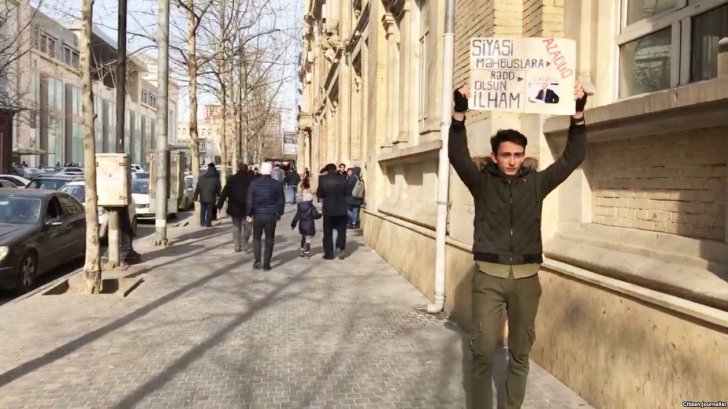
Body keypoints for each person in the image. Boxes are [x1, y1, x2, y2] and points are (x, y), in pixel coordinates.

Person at [449, 81, 587, 409]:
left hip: (527, 279)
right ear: (495, 157)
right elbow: (457, 156)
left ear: (524, 156)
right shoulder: (482, 183)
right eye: (506, 155)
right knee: (482, 351)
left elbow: (572, 158)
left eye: (517, 155)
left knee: (520, 353)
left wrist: (578, 113)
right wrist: (459, 113)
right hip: (488, 277)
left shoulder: (536, 183)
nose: (512, 161)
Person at [246, 162, 285, 271]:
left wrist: (249, 213)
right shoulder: (277, 184)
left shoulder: (254, 184)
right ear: (271, 171)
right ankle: (267, 263)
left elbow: (250, 201)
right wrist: (279, 213)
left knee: (257, 238)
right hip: (271, 215)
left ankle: (258, 260)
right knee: (269, 238)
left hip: (258, 214)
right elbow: (281, 201)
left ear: (260, 171)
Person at [217, 161, 254, 252]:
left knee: (236, 227)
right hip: (247, 208)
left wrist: (220, 204)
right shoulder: (251, 180)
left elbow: (225, 192)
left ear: (238, 169)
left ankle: (237, 245)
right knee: (248, 226)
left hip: (235, 207)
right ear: (246, 170)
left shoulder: (232, 179)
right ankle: (245, 242)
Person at [316, 163, 350, 260]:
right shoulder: (343, 178)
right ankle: (340, 248)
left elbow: (319, 194)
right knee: (341, 231)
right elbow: (348, 193)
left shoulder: (323, 179)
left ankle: (329, 253)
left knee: (328, 233)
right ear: (335, 169)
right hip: (341, 209)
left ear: (327, 170)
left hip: (328, 210)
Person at [290, 191, 320, 258]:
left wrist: (293, 225)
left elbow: (296, 217)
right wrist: (320, 214)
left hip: (302, 226)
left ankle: (302, 250)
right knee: (308, 239)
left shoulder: (300, 207)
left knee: (303, 238)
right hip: (309, 226)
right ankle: (306, 253)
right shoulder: (312, 208)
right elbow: (315, 216)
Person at [193, 163, 221, 227]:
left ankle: (202, 223)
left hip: (203, 198)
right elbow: (218, 189)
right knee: (209, 211)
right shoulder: (215, 179)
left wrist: (195, 197)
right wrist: (219, 195)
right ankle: (208, 223)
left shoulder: (201, 178)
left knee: (203, 210)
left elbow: (198, 188)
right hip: (211, 198)